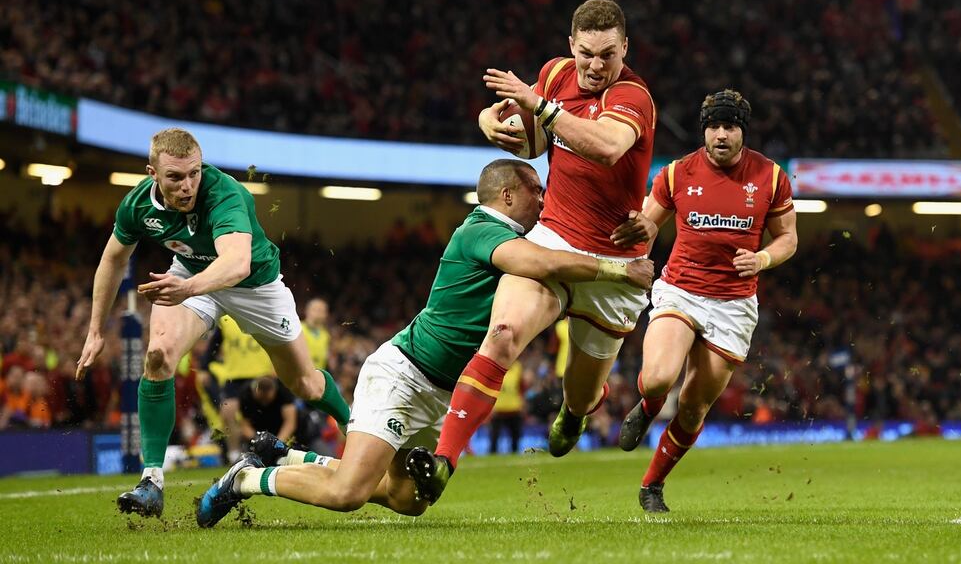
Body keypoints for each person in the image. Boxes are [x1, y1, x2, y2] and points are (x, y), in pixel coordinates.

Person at [194, 159, 653, 527]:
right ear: (508, 194)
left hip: (442, 392)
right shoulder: (482, 230)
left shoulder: (510, 232)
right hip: (406, 375)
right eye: (536, 189)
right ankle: (246, 479)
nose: (544, 197)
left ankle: (292, 456)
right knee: (347, 494)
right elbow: (543, 263)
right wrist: (616, 270)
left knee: (408, 499)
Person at [407, 0, 657, 503]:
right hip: (553, 240)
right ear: (571, 45)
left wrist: (538, 103)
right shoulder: (556, 74)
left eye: (608, 53)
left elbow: (605, 146)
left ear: (625, 48)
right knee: (501, 334)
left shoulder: (633, 95)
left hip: (614, 269)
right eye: (586, 53)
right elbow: (538, 143)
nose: (595, 65)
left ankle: (576, 410)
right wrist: (490, 123)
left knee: (582, 394)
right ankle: (444, 461)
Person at [75, 128, 350, 518]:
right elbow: (113, 260)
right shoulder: (137, 204)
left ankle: (353, 426)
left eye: (194, 173)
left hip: (255, 285)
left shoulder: (224, 194)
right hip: (192, 277)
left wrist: (186, 288)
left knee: (303, 383)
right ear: (152, 173)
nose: (187, 186)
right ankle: (151, 481)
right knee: (157, 355)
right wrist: (95, 331)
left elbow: (236, 264)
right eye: (175, 177)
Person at [616, 89, 798, 512]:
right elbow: (648, 223)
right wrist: (634, 228)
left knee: (695, 406)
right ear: (704, 131)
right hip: (681, 289)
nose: (721, 134)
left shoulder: (769, 177)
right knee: (660, 378)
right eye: (714, 126)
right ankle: (648, 406)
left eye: (729, 126)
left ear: (742, 132)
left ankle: (652, 486)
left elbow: (789, 237)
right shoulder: (677, 173)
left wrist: (764, 257)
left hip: (733, 305)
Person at [204, 315, 276, 460]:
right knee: (227, 412)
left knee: (262, 413)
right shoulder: (226, 321)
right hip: (235, 375)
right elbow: (213, 346)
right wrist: (203, 368)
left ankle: (267, 448)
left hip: (260, 374)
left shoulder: (262, 315)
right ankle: (234, 454)